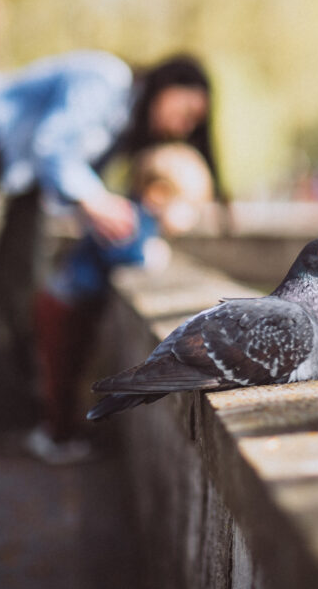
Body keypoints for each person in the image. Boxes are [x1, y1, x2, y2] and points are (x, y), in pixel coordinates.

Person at [0, 50, 219, 461]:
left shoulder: (124, 131)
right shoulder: (107, 81)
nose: (184, 126)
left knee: (15, 294)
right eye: (187, 110)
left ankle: (12, 420)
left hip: (24, 179)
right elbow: (52, 144)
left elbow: (67, 186)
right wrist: (96, 200)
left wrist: (98, 212)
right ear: (166, 85)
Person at [26, 142, 213, 464]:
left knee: (70, 369)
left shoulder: (139, 218)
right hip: (63, 305)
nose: (192, 218)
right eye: (189, 207)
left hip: (69, 302)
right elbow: (122, 252)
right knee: (61, 372)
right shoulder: (130, 218)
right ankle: (53, 436)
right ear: (158, 194)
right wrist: (148, 255)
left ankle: (60, 431)